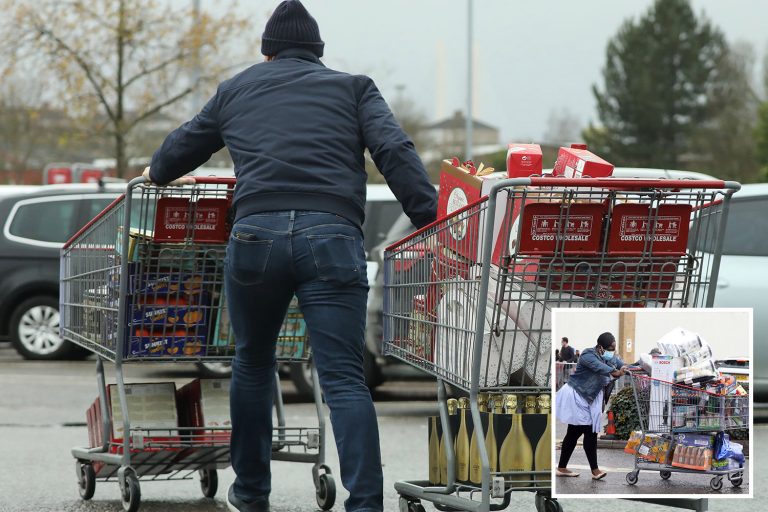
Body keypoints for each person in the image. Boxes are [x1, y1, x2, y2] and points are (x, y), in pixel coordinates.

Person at [143, 2, 437, 511]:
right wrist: (432, 219)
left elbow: (172, 156)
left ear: (266, 51)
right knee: (343, 377)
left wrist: (156, 173)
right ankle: (365, 503)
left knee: (253, 364)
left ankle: (252, 493)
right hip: (333, 238)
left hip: (256, 239)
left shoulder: (236, 89)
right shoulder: (355, 88)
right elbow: (395, 151)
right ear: (318, 53)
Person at [555, 332, 627, 480]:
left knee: (573, 433)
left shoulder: (607, 356)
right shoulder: (588, 355)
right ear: (600, 347)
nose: (612, 351)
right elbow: (600, 367)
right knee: (590, 431)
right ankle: (595, 470)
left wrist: (636, 367)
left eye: (613, 348)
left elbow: (621, 364)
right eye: (610, 348)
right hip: (577, 395)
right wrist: (616, 372)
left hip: (587, 398)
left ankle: (561, 468)